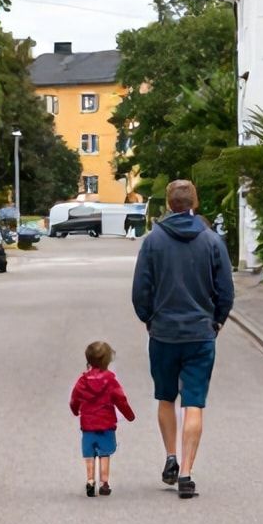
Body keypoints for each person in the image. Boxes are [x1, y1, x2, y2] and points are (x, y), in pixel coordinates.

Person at [130, 179, 234, 500]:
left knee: (165, 397)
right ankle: (187, 474)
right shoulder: (212, 242)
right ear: (195, 202)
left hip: (163, 334)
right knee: (194, 403)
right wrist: (215, 322)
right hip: (200, 335)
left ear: (167, 203)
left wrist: (149, 319)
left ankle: (170, 456)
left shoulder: (152, 242)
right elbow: (226, 292)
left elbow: (140, 292)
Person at [68, 340, 135, 497]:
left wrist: (75, 410)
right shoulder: (110, 380)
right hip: (106, 424)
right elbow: (121, 399)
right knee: (105, 454)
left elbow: (74, 399)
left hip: (88, 424)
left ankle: (90, 481)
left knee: (89, 454)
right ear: (107, 361)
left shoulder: (82, 381)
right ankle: (104, 482)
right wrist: (129, 415)